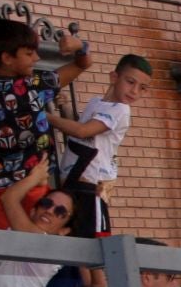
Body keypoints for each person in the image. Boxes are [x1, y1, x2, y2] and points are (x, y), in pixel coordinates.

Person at [0, 18, 94, 230]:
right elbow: (82, 64)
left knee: (6, 252)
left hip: (3, 183)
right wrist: (81, 48)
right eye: (29, 53)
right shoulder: (34, 85)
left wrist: (80, 46)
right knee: (28, 249)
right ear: (7, 57)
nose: (36, 58)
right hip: (26, 184)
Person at [59, 54, 152, 239]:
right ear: (113, 77)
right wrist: (66, 108)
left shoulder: (121, 110)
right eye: (130, 82)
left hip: (92, 184)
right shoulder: (96, 103)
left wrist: (45, 117)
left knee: (93, 246)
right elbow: (81, 133)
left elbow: (83, 131)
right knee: (74, 239)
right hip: (74, 180)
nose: (134, 91)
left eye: (142, 88)